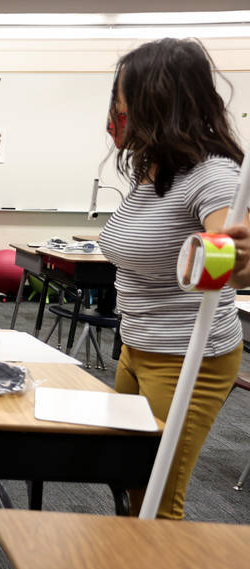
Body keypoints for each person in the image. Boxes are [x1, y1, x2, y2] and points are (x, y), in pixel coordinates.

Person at [98, 38, 250, 518]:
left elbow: (230, 262)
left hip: (188, 358)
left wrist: (235, 258)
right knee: (124, 475)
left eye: (124, 97)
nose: (117, 109)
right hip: (136, 345)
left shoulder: (215, 176)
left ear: (157, 100)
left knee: (156, 496)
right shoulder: (154, 169)